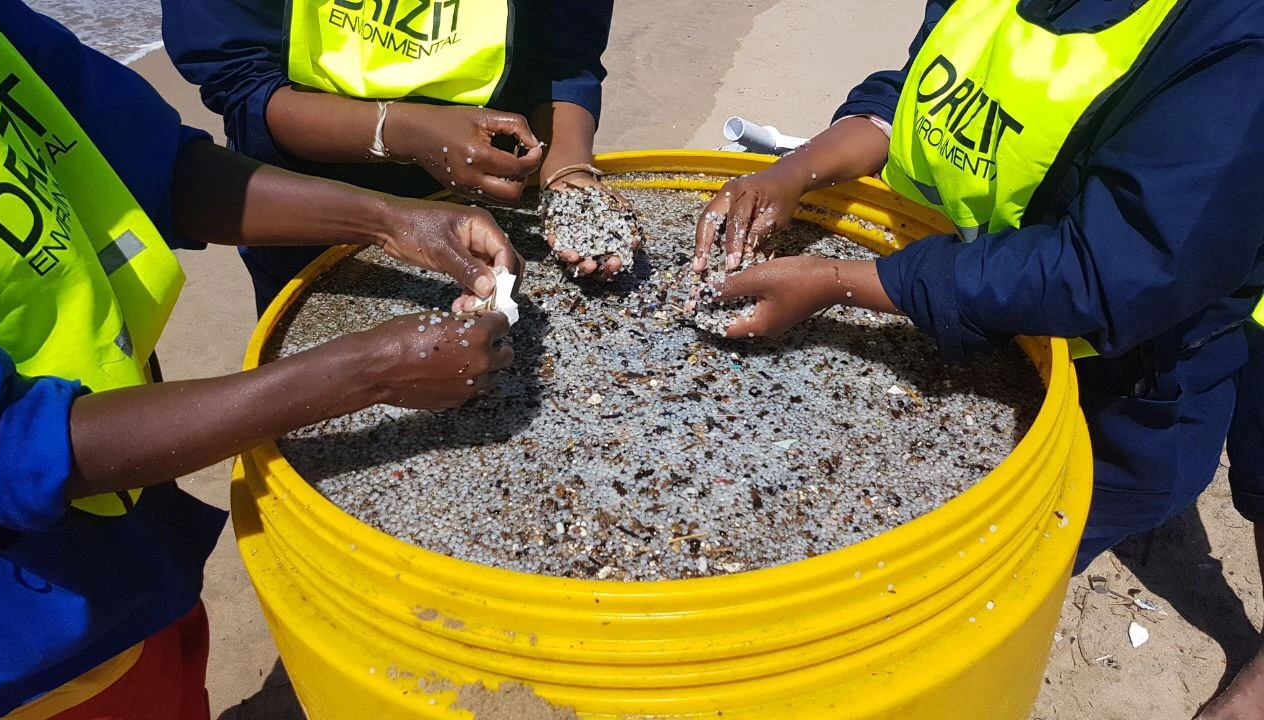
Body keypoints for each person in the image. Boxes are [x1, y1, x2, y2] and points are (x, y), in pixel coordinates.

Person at [691, 0, 1264, 716]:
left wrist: (844, 281)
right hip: (960, 306)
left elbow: (1111, 269)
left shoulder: (1233, 46)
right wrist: (797, 170)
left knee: (1001, 571)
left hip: (1122, 374)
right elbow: (920, 92)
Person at [0, 0, 520, 716]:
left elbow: (156, 165)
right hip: (27, 632)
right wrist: (366, 371)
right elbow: (10, 449)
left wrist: (393, 221)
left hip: (132, 530)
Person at [162, 0, 627, 314]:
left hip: (503, 200)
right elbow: (242, 82)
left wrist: (568, 171)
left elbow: (564, 60)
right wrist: (398, 131)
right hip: (307, 208)